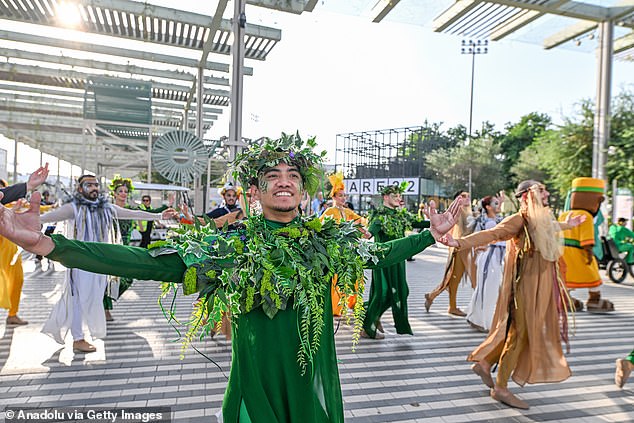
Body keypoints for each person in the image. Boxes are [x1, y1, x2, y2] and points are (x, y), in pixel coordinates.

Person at [0, 133, 464, 423]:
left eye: (293, 176)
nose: (284, 181)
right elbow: (149, 263)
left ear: (303, 189)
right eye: (272, 176)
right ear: (256, 190)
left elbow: (377, 254)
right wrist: (50, 245)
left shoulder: (329, 241)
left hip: (310, 387)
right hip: (253, 387)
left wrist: (427, 236)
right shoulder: (229, 247)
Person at [439, 180, 585, 410]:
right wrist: (458, 242)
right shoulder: (520, 220)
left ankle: (485, 363)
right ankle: (500, 387)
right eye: (541, 190)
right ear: (527, 195)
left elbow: (552, 227)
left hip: (539, 287)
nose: (546, 193)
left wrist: (570, 224)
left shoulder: (541, 218)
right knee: (520, 334)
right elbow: (492, 234)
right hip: (524, 288)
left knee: (521, 332)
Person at [39, 174, 176, 353]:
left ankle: (77, 333)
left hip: (100, 262)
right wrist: (27, 220)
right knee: (77, 299)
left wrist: (158, 215)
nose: (94, 187)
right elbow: (47, 218)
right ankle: (78, 339)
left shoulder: (106, 208)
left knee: (93, 297)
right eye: (89, 185)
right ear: (80, 189)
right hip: (80, 261)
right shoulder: (73, 208)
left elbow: (133, 214)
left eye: (96, 184)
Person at [362, 182, 436, 340]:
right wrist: (366, 235)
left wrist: (436, 222)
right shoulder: (379, 216)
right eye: (395, 195)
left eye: (400, 195)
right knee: (382, 293)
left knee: (402, 291)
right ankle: (368, 326)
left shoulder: (400, 215)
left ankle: (370, 313)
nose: (398, 198)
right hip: (382, 260)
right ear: (385, 197)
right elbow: (371, 232)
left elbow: (418, 223)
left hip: (399, 261)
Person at [559, 177, 614, 312]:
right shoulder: (586, 216)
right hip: (579, 252)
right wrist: (589, 253)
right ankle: (594, 300)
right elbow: (586, 239)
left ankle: (565, 300)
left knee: (566, 277)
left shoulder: (564, 214)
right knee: (593, 276)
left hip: (562, 252)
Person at [320, 172, 370, 316]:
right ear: (334, 197)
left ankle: (351, 302)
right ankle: (335, 307)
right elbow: (320, 226)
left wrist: (365, 232)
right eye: (340, 195)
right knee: (337, 277)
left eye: (344, 195)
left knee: (352, 276)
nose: (343, 198)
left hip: (348, 250)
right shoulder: (330, 211)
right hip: (336, 250)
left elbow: (358, 222)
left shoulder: (347, 211)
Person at [425, 191, 476, 317]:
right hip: (459, 249)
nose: (467, 198)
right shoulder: (458, 212)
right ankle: (450, 305)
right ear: (457, 199)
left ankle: (433, 296)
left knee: (454, 279)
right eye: (463, 196)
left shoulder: (469, 212)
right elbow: (458, 231)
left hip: (467, 248)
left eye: (468, 196)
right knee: (453, 279)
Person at [466, 195, 505, 332]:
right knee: (486, 288)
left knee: (494, 289)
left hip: (501, 257)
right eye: (495, 202)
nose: (498, 204)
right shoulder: (482, 220)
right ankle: (481, 320)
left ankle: (477, 317)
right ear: (488, 206)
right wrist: (480, 247)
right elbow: (476, 238)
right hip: (488, 256)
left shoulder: (501, 219)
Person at [103, 176, 136, 321]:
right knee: (109, 278)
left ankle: (105, 300)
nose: (123, 193)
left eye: (126, 191)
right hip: (111, 247)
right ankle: (105, 309)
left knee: (128, 279)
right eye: (120, 191)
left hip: (126, 249)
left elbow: (148, 212)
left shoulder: (130, 209)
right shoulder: (108, 210)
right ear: (114, 194)